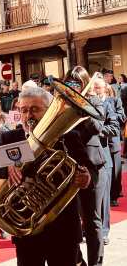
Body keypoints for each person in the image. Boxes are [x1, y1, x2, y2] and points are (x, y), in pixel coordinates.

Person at [0, 87, 98, 266]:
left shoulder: (68, 137)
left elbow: (90, 168)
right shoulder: (11, 138)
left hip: (63, 228)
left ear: (49, 109)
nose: (29, 115)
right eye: (24, 110)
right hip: (26, 229)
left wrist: (88, 178)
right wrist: (7, 167)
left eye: (35, 109)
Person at [65, 66, 112, 266]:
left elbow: (97, 127)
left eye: (77, 84)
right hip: (67, 166)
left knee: (92, 220)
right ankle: (78, 262)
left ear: (85, 85)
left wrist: (82, 104)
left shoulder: (94, 101)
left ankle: (95, 263)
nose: (73, 87)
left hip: (94, 165)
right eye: (69, 84)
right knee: (69, 221)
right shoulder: (62, 102)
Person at [93, 78, 120, 246]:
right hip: (86, 157)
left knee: (103, 197)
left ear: (105, 89)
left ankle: (103, 231)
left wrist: (98, 130)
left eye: (99, 88)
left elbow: (115, 128)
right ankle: (90, 226)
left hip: (103, 156)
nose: (96, 91)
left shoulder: (107, 105)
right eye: (93, 88)